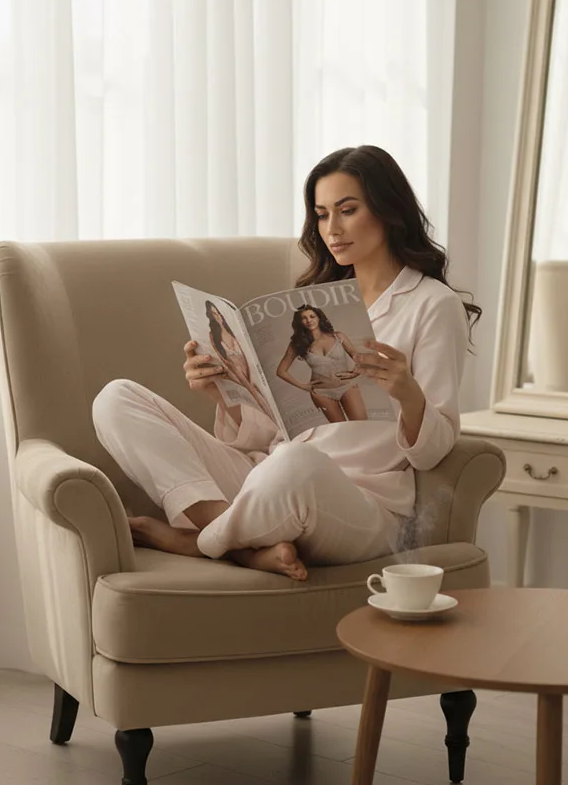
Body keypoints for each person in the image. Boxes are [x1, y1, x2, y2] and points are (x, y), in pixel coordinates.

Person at [92, 145, 480, 581]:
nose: (332, 229)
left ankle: (197, 541)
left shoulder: (432, 305)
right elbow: (271, 431)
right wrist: (226, 391)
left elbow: (434, 452)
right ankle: (234, 541)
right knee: (116, 399)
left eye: (347, 211)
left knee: (296, 463)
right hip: (268, 477)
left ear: (389, 211)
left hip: (356, 502)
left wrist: (407, 393)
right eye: (321, 214)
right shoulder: (313, 302)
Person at [276, 305, 369, 423]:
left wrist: (356, 372)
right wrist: (303, 386)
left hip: (347, 387)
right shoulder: (298, 344)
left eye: (312, 316)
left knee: (362, 425)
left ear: (319, 318)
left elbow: (357, 357)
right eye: (304, 318)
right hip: (322, 394)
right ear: (300, 322)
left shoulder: (338, 336)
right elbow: (281, 371)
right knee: (341, 429)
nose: (309, 320)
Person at [203, 300, 272, 412]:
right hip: (239, 378)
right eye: (214, 314)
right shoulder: (214, 337)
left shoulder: (233, 332)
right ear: (211, 317)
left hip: (253, 375)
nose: (218, 316)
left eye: (218, 313)